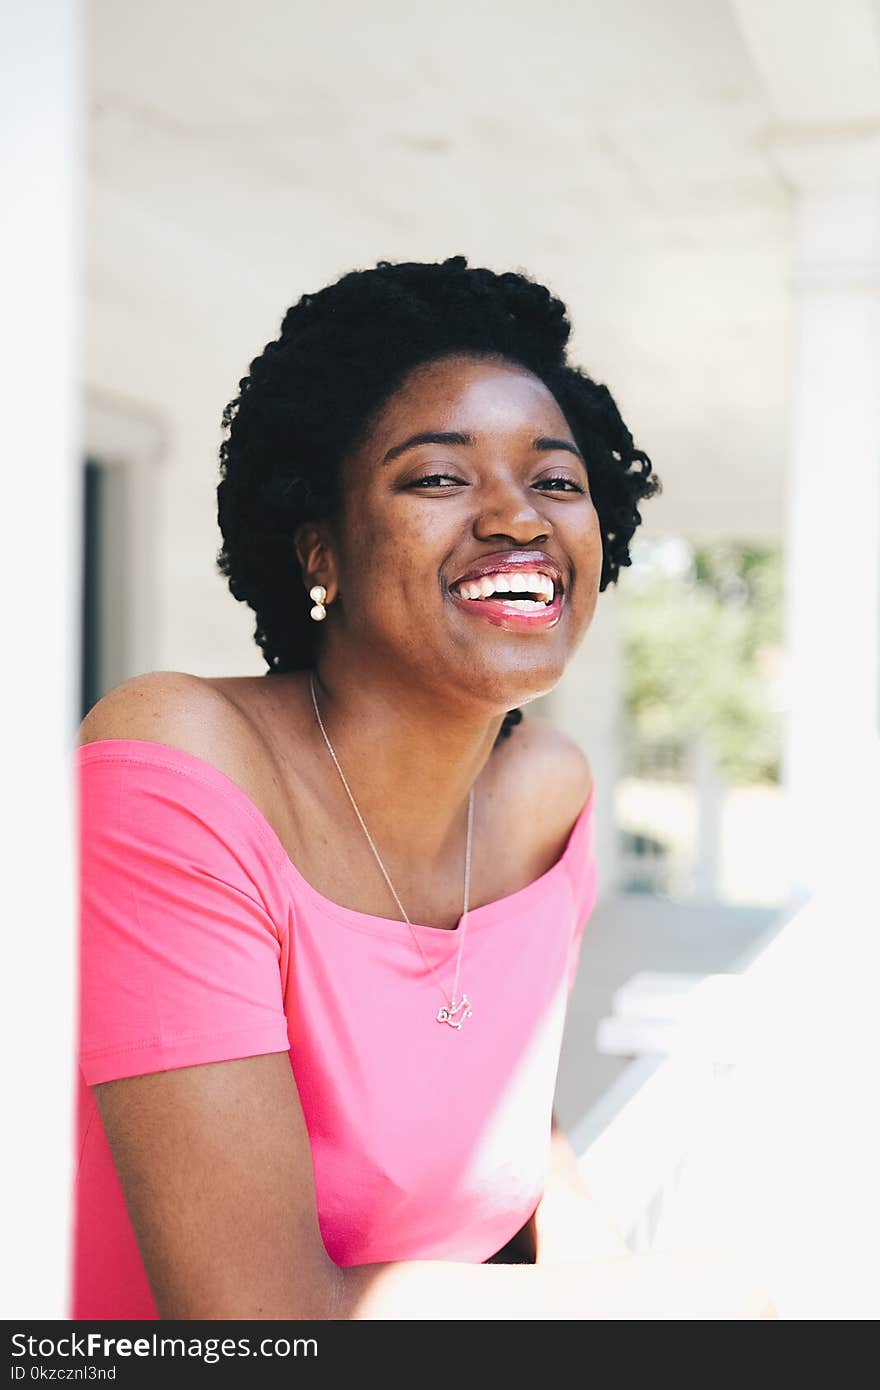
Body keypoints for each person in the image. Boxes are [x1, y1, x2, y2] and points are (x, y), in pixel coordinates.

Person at [72, 255, 774, 1319]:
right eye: (440, 478)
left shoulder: (548, 797)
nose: (518, 519)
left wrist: (637, 1293)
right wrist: (667, 1305)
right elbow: (250, 1318)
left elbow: (512, 1143)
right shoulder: (180, 765)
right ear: (321, 548)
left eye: (556, 480)